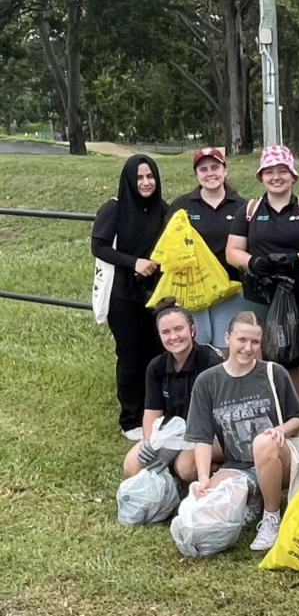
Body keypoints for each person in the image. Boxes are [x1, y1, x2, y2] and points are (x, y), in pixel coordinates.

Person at [185, 311, 299, 552]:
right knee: (204, 505)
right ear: (227, 338)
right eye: (242, 340)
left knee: (263, 442)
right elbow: (201, 437)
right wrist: (203, 478)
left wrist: (279, 430)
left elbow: (298, 418)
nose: (248, 348)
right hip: (238, 466)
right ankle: (252, 497)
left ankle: (271, 516)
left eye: (255, 342)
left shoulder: (274, 373)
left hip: (278, 459)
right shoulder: (208, 381)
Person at [225, 145, 299, 402]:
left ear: (293, 175)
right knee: (253, 354)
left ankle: (295, 416)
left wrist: (295, 260)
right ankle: (259, 410)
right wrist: (253, 262)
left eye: (282, 171)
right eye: (269, 172)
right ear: (261, 177)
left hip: (297, 298)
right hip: (258, 298)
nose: (276, 177)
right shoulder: (248, 211)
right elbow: (232, 251)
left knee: (294, 357)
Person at [91, 154, 169, 440]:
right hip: (123, 295)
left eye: (150, 177)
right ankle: (130, 418)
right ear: (129, 180)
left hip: (157, 295)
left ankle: (156, 411)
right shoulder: (114, 209)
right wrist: (133, 262)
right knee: (130, 356)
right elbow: (99, 247)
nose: (146, 182)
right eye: (139, 177)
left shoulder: (164, 210)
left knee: (157, 353)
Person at [123, 298, 224, 481]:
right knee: (132, 465)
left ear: (192, 330)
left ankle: (218, 469)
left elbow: (215, 418)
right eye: (166, 332)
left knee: (185, 468)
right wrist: (149, 442)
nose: (173, 337)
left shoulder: (211, 363)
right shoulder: (157, 366)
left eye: (179, 329)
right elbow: (152, 411)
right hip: (173, 430)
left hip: (210, 433)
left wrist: (176, 446)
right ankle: (169, 478)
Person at [170, 148, 247, 353]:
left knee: (227, 346)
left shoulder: (242, 207)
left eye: (215, 167)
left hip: (230, 288)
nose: (210, 173)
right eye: (203, 169)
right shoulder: (182, 206)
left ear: (225, 170)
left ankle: (223, 385)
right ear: (196, 174)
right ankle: (199, 386)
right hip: (193, 288)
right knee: (196, 346)